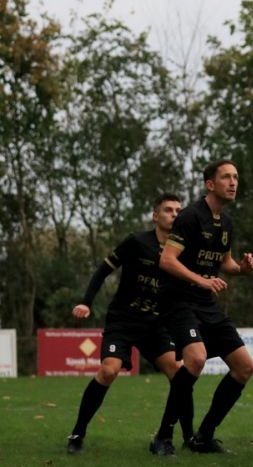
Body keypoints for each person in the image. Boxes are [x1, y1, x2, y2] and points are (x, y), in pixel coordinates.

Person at [151, 159, 253, 456]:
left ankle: (204, 435)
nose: (233, 182)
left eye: (236, 177)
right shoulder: (189, 216)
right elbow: (167, 260)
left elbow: (225, 264)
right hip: (178, 300)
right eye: (226, 177)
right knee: (195, 360)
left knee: (244, 367)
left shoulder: (226, 222)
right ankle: (163, 436)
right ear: (210, 184)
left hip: (205, 303)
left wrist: (243, 270)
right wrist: (201, 280)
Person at [66, 194, 187, 455]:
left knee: (179, 375)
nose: (174, 214)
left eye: (179, 210)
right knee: (109, 371)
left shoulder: (183, 250)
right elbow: (103, 270)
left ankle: (178, 437)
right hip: (123, 320)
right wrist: (86, 302)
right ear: (156, 216)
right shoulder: (136, 242)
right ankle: (77, 433)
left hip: (156, 324)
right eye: (168, 210)